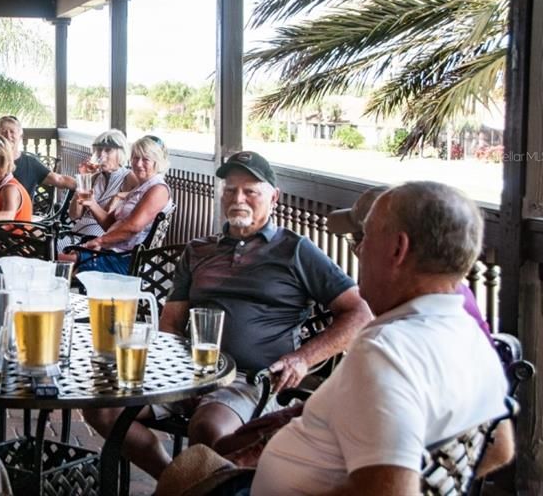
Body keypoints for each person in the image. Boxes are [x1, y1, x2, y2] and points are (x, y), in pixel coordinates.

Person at [84, 150, 371, 479]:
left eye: (251, 191)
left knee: (209, 427)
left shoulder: (295, 250)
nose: (239, 198)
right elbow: (172, 322)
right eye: (231, 190)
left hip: (252, 379)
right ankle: (178, 483)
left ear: (273, 197)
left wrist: (303, 358)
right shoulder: (199, 250)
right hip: (190, 371)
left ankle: (193, 484)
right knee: (102, 408)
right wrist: (171, 372)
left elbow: (359, 311)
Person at [252, 182, 513, 494]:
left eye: (367, 236)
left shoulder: (386, 352)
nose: (359, 250)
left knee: (191, 472)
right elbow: (499, 446)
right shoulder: (466, 332)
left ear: (397, 249)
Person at [328, 184, 494, 343]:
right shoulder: (450, 299)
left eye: (362, 238)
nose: (359, 250)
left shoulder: (394, 342)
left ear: (397, 249)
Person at [61, 135, 173, 275]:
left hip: (126, 260)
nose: (138, 164)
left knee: (57, 263)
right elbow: (110, 224)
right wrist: (92, 203)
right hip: (112, 252)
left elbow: (133, 227)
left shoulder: (158, 189)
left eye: (145, 159)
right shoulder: (141, 187)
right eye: (135, 158)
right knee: (54, 259)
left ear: (158, 162)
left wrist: (100, 241)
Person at [60, 129, 136, 251]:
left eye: (108, 150)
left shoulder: (128, 177)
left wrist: (119, 196)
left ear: (120, 152)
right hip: (78, 232)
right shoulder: (94, 177)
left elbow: (146, 192)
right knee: (50, 249)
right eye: (99, 150)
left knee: (56, 253)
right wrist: (83, 181)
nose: (102, 155)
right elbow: (74, 215)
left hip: (102, 239)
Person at [0, 116, 76, 199]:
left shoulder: (30, 163)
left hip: (19, 221)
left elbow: (59, 179)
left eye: (12, 131)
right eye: (3, 132)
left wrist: (86, 183)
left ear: (20, 135)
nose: (7, 135)